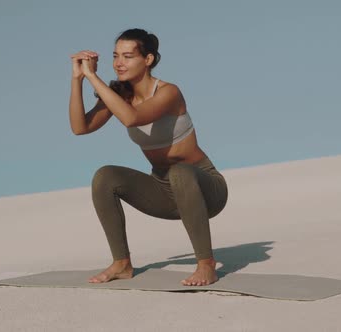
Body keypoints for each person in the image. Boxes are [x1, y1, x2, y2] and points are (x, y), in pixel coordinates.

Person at [69, 28, 228, 286]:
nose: (119, 63)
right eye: (116, 56)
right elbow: (80, 127)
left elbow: (132, 117)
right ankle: (121, 263)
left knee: (179, 171)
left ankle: (206, 264)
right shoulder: (120, 95)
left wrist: (92, 75)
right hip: (164, 192)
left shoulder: (168, 92)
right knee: (105, 176)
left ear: (148, 60)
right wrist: (77, 79)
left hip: (205, 189)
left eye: (128, 56)